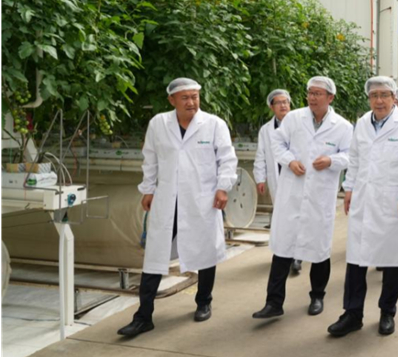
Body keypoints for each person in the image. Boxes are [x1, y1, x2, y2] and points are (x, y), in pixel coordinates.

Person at [118, 78, 238, 337]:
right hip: (167, 199)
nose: (191, 102)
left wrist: (223, 187)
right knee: (155, 254)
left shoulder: (214, 124)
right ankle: (143, 316)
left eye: (195, 96)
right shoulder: (158, 124)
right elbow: (150, 158)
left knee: (205, 250)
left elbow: (227, 159)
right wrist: (148, 189)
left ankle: (204, 301)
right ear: (171, 100)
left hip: (201, 200)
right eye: (185, 97)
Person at [326, 77, 398, 337]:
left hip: (393, 201)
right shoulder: (362, 123)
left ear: (394, 98)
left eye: (384, 95)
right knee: (356, 260)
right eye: (374, 96)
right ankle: (352, 314)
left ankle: (387, 312)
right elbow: (355, 159)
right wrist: (349, 188)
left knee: (392, 261)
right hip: (364, 199)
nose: (379, 100)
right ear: (369, 98)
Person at [252, 76, 353, 319]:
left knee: (319, 249)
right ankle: (273, 302)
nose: (312, 98)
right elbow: (276, 143)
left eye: (318, 94)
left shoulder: (342, 126)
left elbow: (351, 155)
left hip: (320, 196)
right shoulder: (294, 118)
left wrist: (331, 160)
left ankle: (317, 296)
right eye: (310, 93)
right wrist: (290, 161)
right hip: (293, 193)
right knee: (283, 247)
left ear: (330, 98)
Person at [253, 89, 302, 275]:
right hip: (277, 179)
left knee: (297, 216)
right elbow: (261, 155)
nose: (283, 105)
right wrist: (260, 178)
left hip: (297, 177)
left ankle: (296, 256)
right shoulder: (266, 130)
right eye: (279, 103)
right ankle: (283, 254)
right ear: (271, 107)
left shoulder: (299, 125)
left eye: (286, 102)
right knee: (281, 218)